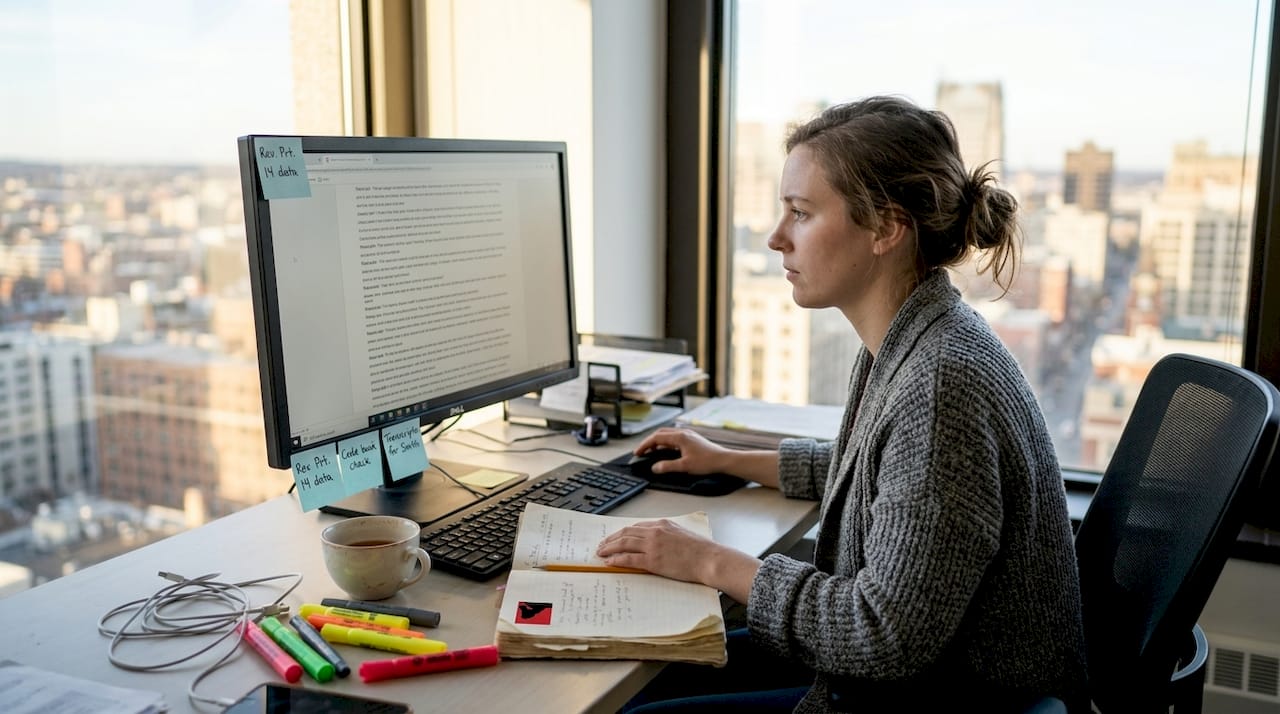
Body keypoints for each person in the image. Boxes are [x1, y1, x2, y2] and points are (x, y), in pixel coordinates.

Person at [596, 95, 1088, 712]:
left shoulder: (939, 387)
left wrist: (710, 562)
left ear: (885, 227)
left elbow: (883, 635)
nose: (776, 239)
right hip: (906, 680)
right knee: (657, 664)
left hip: (938, 698)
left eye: (800, 213)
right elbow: (883, 479)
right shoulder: (913, 335)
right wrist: (726, 458)